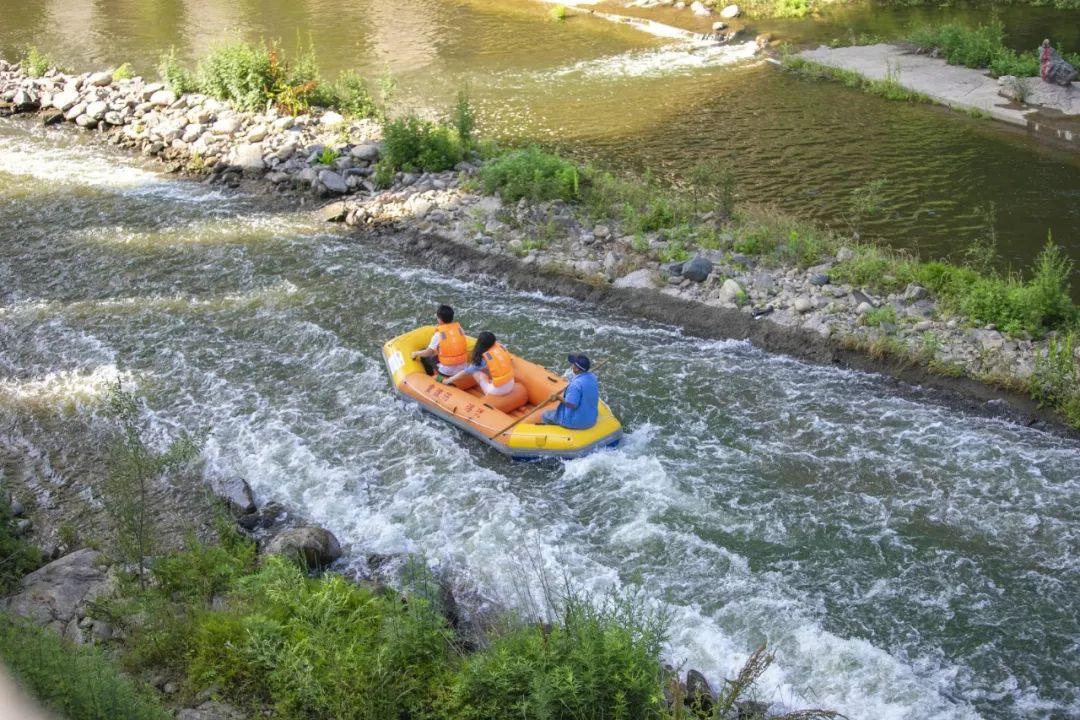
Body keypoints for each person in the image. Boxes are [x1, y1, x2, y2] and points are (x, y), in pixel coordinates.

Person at [441, 331, 516, 396]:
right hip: (511, 383)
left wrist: (448, 380)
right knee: (486, 369)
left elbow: (465, 372)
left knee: (476, 372)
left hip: (498, 391)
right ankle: (492, 383)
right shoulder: (501, 348)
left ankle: (488, 393)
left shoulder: (482, 359)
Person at [541, 354, 599, 430]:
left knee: (545, 415)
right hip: (591, 419)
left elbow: (571, 404)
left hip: (577, 422)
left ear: (577, 369)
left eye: (573, 364)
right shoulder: (593, 377)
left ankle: (551, 433)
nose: (572, 366)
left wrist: (558, 398)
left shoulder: (576, 384)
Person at [411, 305, 468, 379]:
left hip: (447, 371)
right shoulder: (460, 329)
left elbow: (428, 352)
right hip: (463, 367)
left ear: (440, 319)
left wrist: (415, 353)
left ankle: (432, 377)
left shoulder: (438, 334)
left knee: (425, 357)